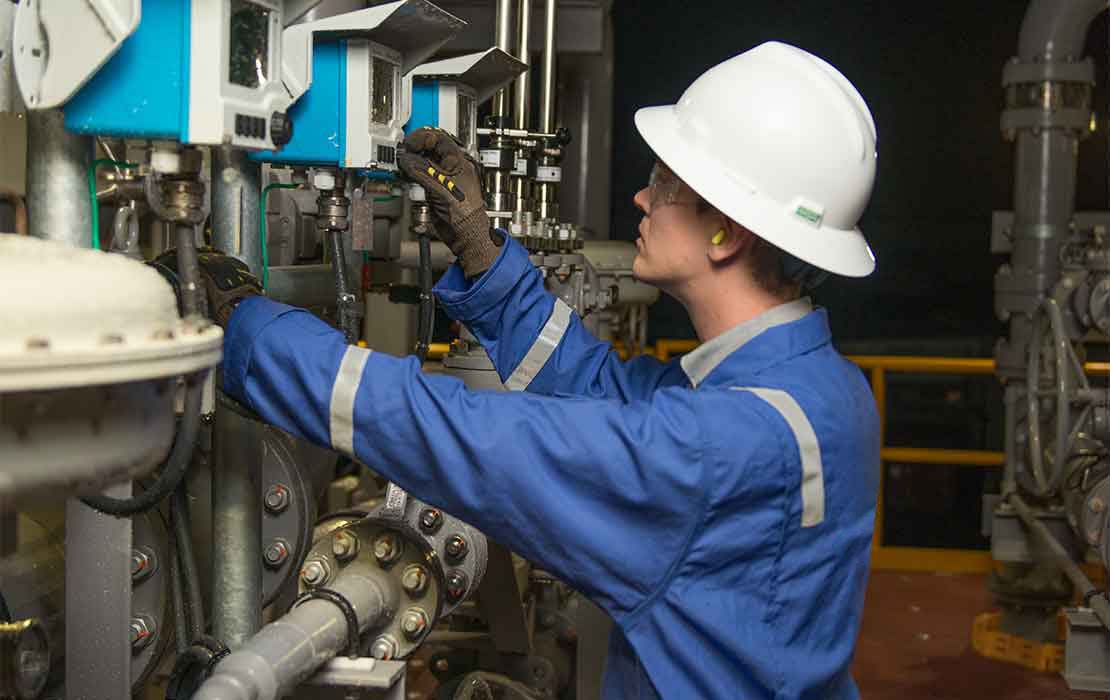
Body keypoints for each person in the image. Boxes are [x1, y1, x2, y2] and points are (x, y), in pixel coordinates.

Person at [213, 41, 880, 699]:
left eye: (667, 184)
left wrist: (248, 329)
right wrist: (481, 253)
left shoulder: (724, 446)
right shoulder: (822, 388)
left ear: (725, 233)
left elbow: (467, 438)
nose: (643, 199)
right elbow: (603, 394)